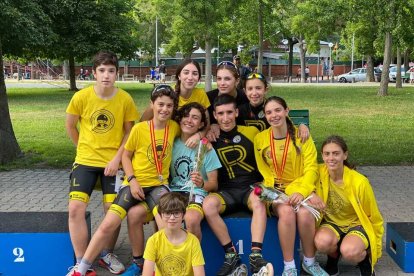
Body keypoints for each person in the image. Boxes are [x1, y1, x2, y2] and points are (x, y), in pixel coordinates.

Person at [68, 85, 180, 276]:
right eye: (160, 104)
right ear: (152, 105)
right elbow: (126, 157)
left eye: (169, 105)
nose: (165, 109)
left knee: (166, 224)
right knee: (107, 224)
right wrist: (133, 180)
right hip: (134, 184)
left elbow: (192, 132)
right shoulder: (138, 129)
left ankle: (159, 269)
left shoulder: (174, 128)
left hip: (159, 186)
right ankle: (82, 268)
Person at [65, 50, 139, 276]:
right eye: (102, 70)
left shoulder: (125, 98)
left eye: (111, 71)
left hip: (113, 164)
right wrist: (83, 149)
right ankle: (81, 263)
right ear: (94, 73)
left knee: (112, 210)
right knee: (76, 209)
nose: (106, 75)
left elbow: (131, 133)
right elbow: (70, 126)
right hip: (86, 161)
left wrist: (117, 158)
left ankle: (106, 253)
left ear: (116, 73)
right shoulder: (81, 97)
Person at [254, 96, 328, 276]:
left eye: (278, 110)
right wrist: (272, 192)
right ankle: (289, 266)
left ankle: (309, 262)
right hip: (274, 191)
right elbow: (264, 171)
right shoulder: (260, 139)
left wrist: (302, 192)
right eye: (269, 112)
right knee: (286, 212)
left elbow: (312, 168)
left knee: (304, 214)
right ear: (265, 116)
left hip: (301, 187)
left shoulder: (302, 136)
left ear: (287, 111)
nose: (274, 115)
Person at [203, 94, 274, 276]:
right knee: (208, 205)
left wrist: (301, 127)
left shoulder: (251, 132)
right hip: (226, 191)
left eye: (229, 112)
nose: (225, 118)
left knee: (259, 201)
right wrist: (203, 134)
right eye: (220, 114)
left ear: (236, 112)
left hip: (251, 187)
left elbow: (277, 132)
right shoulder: (211, 138)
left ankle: (256, 255)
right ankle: (230, 254)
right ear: (215, 115)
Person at [313, 135, 384, 276]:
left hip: (356, 224)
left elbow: (374, 216)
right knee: (321, 242)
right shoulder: (317, 173)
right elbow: (300, 184)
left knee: (350, 251)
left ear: (345, 155)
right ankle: (332, 260)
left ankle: (364, 262)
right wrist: (311, 194)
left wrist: (375, 248)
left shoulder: (360, 182)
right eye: (327, 154)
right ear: (322, 155)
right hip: (332, 223)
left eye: (336, 153)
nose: (331, 158)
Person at [168, 102, 221, 240]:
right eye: (186, 116)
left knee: (191, 219)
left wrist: (202, 183)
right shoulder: (171, 144)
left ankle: (193, 259)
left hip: (196, 193)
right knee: (163, 216)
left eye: (195, 118)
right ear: (180, 119)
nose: (189, 120)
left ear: (202, 124)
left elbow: (214, 184)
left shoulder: (206, 149)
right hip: (174, 191)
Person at [141, 59, 210, 147]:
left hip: (189, 142)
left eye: (195, 74)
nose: (190, 77)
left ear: (199, 78)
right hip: (166, 140)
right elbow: (143, 121)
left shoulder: (200, 94)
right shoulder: (168, 93)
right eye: (186, 72)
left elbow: (207, 124)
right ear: (179, 76)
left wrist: (198, 135)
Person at [142, 192, 205, 276]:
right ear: (160, 215)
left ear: (183, 215)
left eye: (176, 213)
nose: (172, 218)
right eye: (167, 213)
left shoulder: (193, 241)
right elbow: (147, 273)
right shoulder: (153, 241)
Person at [207, 60, 248, 126]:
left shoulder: (246, 98)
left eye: (227, 79)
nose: (222, 83)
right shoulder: (208, 98)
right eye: (219, 79)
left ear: (237, 81)